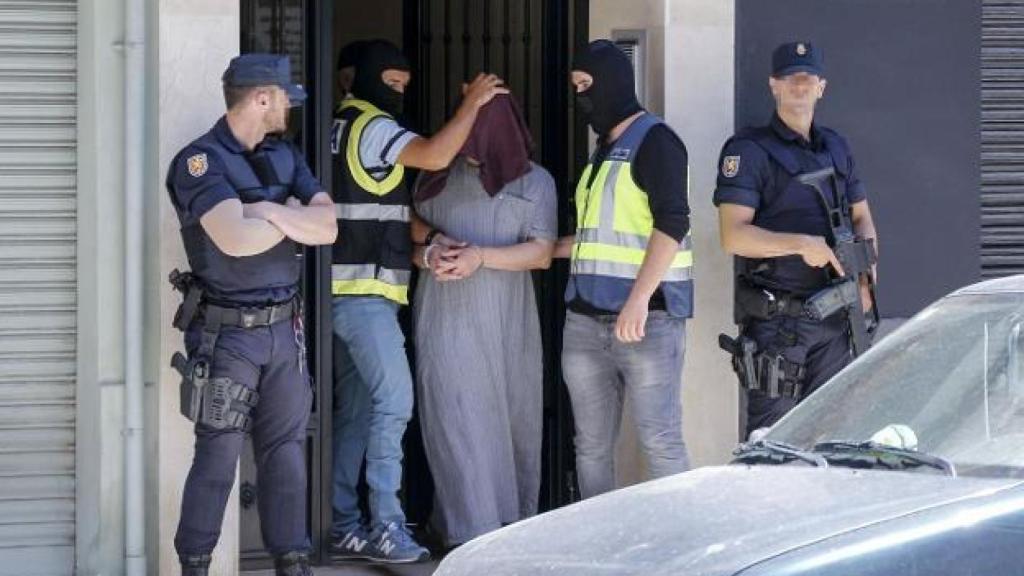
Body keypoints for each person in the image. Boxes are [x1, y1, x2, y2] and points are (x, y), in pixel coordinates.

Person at [328, 39, 506, 563]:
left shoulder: (336, 127)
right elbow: (434, 154)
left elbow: (380, 210)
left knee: (357, 410)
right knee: (395, 402)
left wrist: (430, 241)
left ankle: (340, 521)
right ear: (359, 79)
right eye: (391, 83)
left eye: (403, 85)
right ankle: (386, 523)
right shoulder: (373, 126)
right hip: (363, 297)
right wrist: (471, 105)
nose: (399, 93)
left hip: (340, 292)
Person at [166, 53, 337, 576]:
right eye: (285, 97)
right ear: (262, 98)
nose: (291, 107)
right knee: (217, 457)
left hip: (285, 331)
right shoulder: (200, 162)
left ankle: (293, 562)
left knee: (285, 454)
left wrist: (265, 210)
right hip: (227, 336)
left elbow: (329, 227)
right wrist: (293, 218)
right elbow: (234, 239)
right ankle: (195, 565)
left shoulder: (285, 155)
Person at [411, 94, 556, 547]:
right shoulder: (434, 176)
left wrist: (480, 257)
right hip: (446, 318)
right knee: (455, 417)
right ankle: (467, 533)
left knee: (513, 420)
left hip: (508, 323)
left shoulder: (536, 182)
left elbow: (542, 253)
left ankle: (511, 527)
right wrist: (430, 253)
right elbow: (406, 233)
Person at [714, 41, 879, 438]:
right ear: (774, 85)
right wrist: (801, 244)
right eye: (790, 78)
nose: (800, 86)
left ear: (821, 86)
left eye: (808, 78)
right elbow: (733, 236)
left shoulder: (836, 147)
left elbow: (862, 218)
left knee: (829, 439)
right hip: (780, 326)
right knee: (772, 444)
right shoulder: (749, 151)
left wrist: (865, 281)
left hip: (837, 320)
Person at [554, 40, 693, 499]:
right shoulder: (603, 150)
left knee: (661, 442)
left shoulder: (656, 141)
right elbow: (599, 237)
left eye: (585, 85)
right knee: (590, 448)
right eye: (575, 87)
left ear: (612, 82)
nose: (580, 97)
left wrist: (637, 300)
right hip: (584, 322)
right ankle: (600, 539)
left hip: (645, 321)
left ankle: (685, 539)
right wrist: (539, 249)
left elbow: (673, 223)